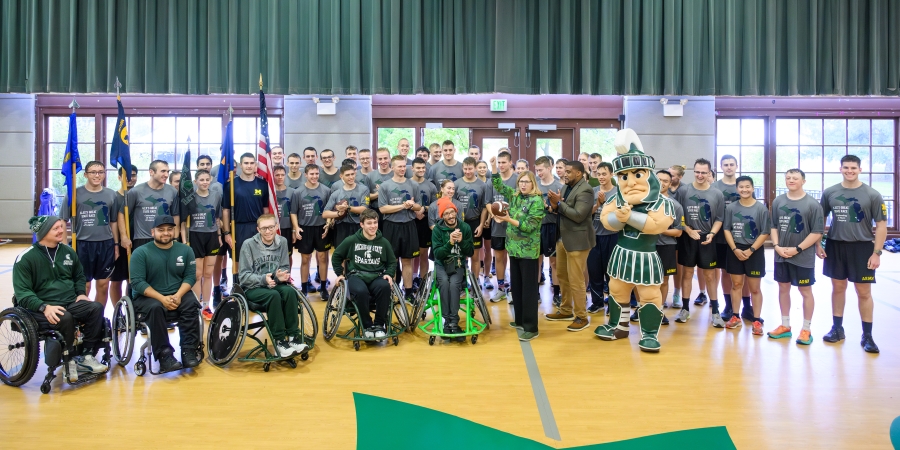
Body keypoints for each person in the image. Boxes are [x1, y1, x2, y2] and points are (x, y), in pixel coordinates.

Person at [594, 130, 675, 352]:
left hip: (646, 257)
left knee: (649, 294)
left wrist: (628, 216)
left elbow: (657, 225)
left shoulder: (663, 203)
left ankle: (649, 334)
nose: (630, 182)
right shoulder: (615, 198)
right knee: (616, 289)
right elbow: (605, 220)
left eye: (637, 175)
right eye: (624, 176)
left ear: (649, 175)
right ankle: (618, 326)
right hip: (621, 254)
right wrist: (619, 218)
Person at [14, 215, 109, 381]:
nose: (61, 230)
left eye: (61, 227)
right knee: (65, 317)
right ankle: (69, 360)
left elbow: (79, 275)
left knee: (96, 308)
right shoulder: (26, 258)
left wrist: (81, 293)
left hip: (69, 302)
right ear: (43, 232)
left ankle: (86, 356)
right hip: (40, 307)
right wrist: (44, 307)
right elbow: (23, 293)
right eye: (56, 228)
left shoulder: (68, 252)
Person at [816, 154, 886, 353]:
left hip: (862, 247)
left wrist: (877, 253)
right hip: (835, 245)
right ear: (840, 169)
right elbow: (820, 218)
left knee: (863, 292)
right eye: (846, 168)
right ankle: (837, 329)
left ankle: (868, 336)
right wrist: (819, 243)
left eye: (853, 168)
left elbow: (881, 226)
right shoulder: (830, 192)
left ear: (860, 170)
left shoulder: (872, 194)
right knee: (838, 288)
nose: (849, 171)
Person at [129, 215, 202, 372]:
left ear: (174, 231)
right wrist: (162, 298)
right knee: (156, 307)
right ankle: (164, 355)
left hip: (178, 293)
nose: (166, 233)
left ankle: (188, 350)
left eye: (169, 229)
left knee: (190, 303)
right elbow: (137, 282)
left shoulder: (185, 250)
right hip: (149, 297)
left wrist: (178, 295)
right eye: (161, 230)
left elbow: (190, 276)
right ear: (152, 232)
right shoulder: (140, 253)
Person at [239, 214, 309, 357]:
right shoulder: (249, 245)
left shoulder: (282, 241)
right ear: (258, 229)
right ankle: (279, 340)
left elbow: (284, 267)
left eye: (271, 227)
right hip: (253, 288)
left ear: (276, 227)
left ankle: (293, 337)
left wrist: (281, 276)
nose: (268, 231)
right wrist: (263, 279)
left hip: (274, 284)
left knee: (290, 292)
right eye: (264, 228)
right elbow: (243, 276)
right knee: (274, 295)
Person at [768, 169, 824, 345]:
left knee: (805, 291)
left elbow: (817, 232)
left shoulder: (812, 204)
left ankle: (806, 329)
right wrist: (776, 246)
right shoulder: (778, 201)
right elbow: (774, 226)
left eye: (795, 178)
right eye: (788, 178)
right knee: (783, 289)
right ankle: (785, 326)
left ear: (803, 181)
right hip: (781, 255)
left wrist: (797, 249)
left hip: (803, 256)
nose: (791, 180)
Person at [492, 170, 545, 341]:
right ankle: (520, 320)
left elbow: (529, 226)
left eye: (526, 182)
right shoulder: (515, 196)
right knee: (517, 287)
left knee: (529, 290)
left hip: (528, 252)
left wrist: (507, 219)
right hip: (513, 249)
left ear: (533, 184)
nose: (523, 184)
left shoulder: (537, 201)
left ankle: (531, 327)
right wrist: (494, 167)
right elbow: (499, 186)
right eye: (521, 181)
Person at [61, 161, 120, 310]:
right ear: (86, 174)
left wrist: (116, 245)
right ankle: (82, 320)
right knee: (84, 285)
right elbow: (62, 221)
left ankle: (97, 320)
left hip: (105, 244)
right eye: (93, 172)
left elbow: (113, 222)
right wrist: (63, 246)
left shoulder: (111, 194)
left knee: (103, 284)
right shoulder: (74, 194)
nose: (97, 175)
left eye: (100, 172)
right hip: (81, 245)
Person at [672, 158, 724, 324]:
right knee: (687, 273)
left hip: (707, 239)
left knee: (709, 275)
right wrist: (687, 229)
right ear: (693, 172)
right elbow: (677, 217)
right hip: (688, 237)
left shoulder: (717, 194)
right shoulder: (683, 191)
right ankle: (685, 309)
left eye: (703, 172)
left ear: (709, 173)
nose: (700, 175)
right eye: (697, 172)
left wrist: (712, 233)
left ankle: (715, 312)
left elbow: (719, 218)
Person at [545, 159, 595, 332]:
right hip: (563, 238)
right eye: (564, 171)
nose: (564, 174)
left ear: (579, 173)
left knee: (576, 279)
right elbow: (562, 210)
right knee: (562, 275)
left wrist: (559, 203)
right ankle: (566, 310)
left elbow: (579, 215)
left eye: (568, 172)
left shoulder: (586, 190)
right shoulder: (567, 187)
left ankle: (582, 316)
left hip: (578, 241)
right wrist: (552, 206)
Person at [331, 209, 398, 338]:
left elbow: (392, 262)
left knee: (384, 287)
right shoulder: (351, 240)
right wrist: (339, 274)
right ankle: (367, 325)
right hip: (356, 275)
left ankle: (379, 325)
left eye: (375, 222)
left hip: (377, 275)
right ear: (361, 224)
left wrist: (389, 273)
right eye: (369, 223)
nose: (373, 226)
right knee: (361, 291)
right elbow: (336, 256)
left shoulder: (383, 242)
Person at [722, 176, 770, 333]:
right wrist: (735, 249)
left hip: (754, 251)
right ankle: (735, 316)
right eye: (741, 187)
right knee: (736, 285)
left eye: (747, 186)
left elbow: (765, 232)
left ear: (753, 188)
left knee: (755, 288)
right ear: (737, 189)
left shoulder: (761, 209)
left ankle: (756, 320)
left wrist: (751, 250)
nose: (744, 189)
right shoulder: (731, 208)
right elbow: (727, 229)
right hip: (735, 250)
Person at [378, 155, 423, 301]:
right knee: (392, 262)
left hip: (409, 226)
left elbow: (418, 207)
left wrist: (411, 206)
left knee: (407, 261)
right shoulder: (385, 186)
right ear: (392, 167)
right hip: (391, 226)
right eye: (399, 166)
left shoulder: (413, 185)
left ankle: (408, 293)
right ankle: (392, 292)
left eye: (404, 166)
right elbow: (383, 209)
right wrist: (403, 206)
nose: (402, 169)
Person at [431, 197, 474, 340]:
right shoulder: (437, 230)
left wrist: (461, 242)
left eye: (452, 212)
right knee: (443, 282)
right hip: (442, 264)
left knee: (454, 284)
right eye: (446, 214)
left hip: (458, 263)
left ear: (456, 212)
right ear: (442, 216)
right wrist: (450, 243)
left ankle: (453, 322)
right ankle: (448, 321)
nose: (450, 216)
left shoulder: (465, 228)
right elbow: (437, 254)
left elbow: (470, 253)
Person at [712, 154, 749, 321]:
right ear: (721, 167)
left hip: (742, 235)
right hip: (721, 236)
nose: (728, 167)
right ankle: (728, 305)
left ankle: (747, 306)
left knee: (745, 273)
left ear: (736, 166)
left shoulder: (743, 185)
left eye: (731, 164)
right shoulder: (715, 187)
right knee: (725, 271)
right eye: (725, 164)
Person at [182, 169, 222, 320]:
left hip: (211, 236)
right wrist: (185, 241)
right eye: (202, 180)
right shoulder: (190, 198)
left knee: (208, 273)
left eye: (207, 179)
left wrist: (219, 235)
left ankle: (206, 306)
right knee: (197, 274)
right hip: (195, 235)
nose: (205, 182)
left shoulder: (216, 195)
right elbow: (183, 222)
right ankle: (196, 305)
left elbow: (217, 217)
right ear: (195, 181)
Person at [120, 160, 181, 254]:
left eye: (167, 172)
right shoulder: (136, 191)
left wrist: (175, 238)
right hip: (142, 239)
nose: (166, 175)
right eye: (163, 171)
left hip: (165, 238)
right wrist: (124, 237)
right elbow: (121, 214)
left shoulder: (172, 191)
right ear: (151, 172)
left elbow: (176, 216)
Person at [290, 164, 333, 296]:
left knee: (322, 257)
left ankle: (324, 287)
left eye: (316, 174)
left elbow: (329, 210)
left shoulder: (326, 190)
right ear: (306, 175)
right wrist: (296, 228)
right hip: (305, 228)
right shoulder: (298, 192)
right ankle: (304, 287)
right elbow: (293, 212)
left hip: (321, 228)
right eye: (311, 174)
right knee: (305, 258)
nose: (314, 176)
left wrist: (328, 223)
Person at [222, 153, 270, 260]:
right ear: (240, 165)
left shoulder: (263, 184)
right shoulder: (231, 185)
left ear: (255, 165)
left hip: (258, 228)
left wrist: (267, 228)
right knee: (240, 261)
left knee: (259, 261)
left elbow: (265, 209)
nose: (249, 166)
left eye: (252, 163)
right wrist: (227, 233)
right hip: (238, 228)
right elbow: (226, 211)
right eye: (246, 163)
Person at [486, 152, 518, 301]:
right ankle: (500, 288)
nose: (501, 165)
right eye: (499, 162)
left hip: (514, 227)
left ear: (511, 162)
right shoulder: (491, 181)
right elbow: (488, 202)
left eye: (504, 162)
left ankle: (512, 289)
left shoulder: (518, 181)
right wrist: (494, 216)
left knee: (513, 258)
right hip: (497, 226)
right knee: (499, 257)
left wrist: (510, 218)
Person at [586, 162, 617, 314]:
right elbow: (587, 214)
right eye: (599, 174)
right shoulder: (592, 192)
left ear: (611, 174)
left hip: (612, 236)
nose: (601, 177)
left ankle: (613, 304)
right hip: (594, 236)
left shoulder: (619, 193)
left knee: (611, 272)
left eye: (604, 174)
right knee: (594, 271)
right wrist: (598, 203)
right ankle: (597, 302)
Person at [655, 169, 683, 325]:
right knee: (645, 281)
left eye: (665, 181)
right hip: (647, 246)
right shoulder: (644, 202)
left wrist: (659, 229)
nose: (662, 183)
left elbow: (678, 232)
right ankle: (643, 309)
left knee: (664, 280)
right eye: (659, 179)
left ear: (670, 183)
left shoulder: (675, 205)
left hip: (667, 246)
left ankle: (659, 311)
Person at [535, 156, 564, 305]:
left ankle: (557, 294)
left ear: (549, 167)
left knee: (554, 263)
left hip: (553, 227)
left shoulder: (559, 186)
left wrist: (551, 207)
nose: (539, 173)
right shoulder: (535, 187)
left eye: (541, 170)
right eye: (537, 170)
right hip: (537, 227)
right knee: (537, 261)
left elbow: (563, 211)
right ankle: (535, 294)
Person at [454, 157, 488, 281]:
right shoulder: (457, 184)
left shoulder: (482, 185)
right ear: (462, 168)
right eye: (465, 169)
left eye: (470, 169)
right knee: (460, 255)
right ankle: (462, 282)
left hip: (475, 222)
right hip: (460, 223)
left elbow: (485, 207)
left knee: (475, 255)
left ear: (475, 168)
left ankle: (475, 282)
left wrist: (481, 224)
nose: (468, 171)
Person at [323, 164, 371, 250]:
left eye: (352, 174)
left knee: (359, 255)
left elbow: (364, 209)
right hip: (342, 227)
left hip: (359, 226)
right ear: (341, 176)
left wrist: (347, 208)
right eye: (347, 175)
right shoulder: (336, 193)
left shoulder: (364, 189)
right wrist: (338, 213)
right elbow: (325, 214)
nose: (351, 177)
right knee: (342, 256)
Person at [111, 165, 138, 307]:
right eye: (126, 175)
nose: (130, 178)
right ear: (119, 177)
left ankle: (132, 311)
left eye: (133, 175)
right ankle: (118, 314)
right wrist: (118, 241)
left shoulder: (140, 194)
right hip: (118, 244)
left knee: (133, 279)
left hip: (137, 242)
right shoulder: (114, 197)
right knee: (116, 280)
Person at [411, 157, 438, 291]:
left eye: (423, 168)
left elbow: (435, 205)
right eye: (418, 168)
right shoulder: (407, 184)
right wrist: (414, 211)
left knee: (423, 253)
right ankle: (410, 281)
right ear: (412, 169)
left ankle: (422, 283)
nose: (421, 170)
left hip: (425, 222)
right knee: (409, 255)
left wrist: (424, 208)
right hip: (410, 222)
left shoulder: (431, 185)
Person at [668, 164, 686, 307]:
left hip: (680, 229)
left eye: (673, 175)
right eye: (669, 174)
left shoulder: (685, 190)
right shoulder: (663, 188)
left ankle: (676, 293)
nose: (670, 177)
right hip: (664, 230)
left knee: (678, 263)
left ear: (680, 177)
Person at [273, 165, 296, 266]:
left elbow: (294, 212)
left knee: (288, 255)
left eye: (282, 175)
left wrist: (294, 231)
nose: (280, 177)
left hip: (287, 228)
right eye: (277, 175)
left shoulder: (292, 192)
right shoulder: (269, 192)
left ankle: (287, 277)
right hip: (272, 229)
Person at [475, 160, 493, 283]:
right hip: (475, 220)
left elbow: (489, 204)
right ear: (476, 168)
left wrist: (488, 219)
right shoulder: (473, 183)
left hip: (489, 221)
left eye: (484, 167)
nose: (482, 169)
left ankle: (486, 275)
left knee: (487, 249)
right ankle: (473, 277)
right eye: (480, 167)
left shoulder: (490, 183)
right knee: (473, 251)